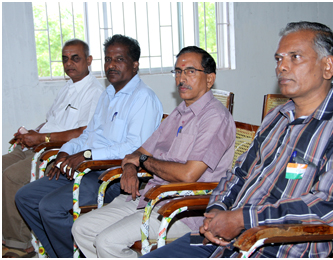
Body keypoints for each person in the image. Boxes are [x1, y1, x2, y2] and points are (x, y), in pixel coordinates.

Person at [141, 21, 333, 258]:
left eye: (295, 57)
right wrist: (216, 211)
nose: (282, 67)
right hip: (222, 238)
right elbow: (238, 174)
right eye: (279, 59)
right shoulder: (276, 118)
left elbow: (329, 206)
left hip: (272, 247)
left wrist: (242, 219)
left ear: (328, 66)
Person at [72, 46, 237, 258]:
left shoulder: (215, 118)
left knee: (107, 242)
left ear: (210, 79)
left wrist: (142, 160)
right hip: (151, 196)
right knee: (81, 229)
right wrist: (131, 167)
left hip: (182, 208)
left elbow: (188, 175)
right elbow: (137, 152)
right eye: (178, 71)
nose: (181, 79)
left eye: (190, 71)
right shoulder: (179, 112)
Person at [15, 34, 163, 258]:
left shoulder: (143, 99)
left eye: (119, 59)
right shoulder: (108, 94)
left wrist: (86, 155)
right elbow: (90, 134)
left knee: (50, 208)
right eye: (108, 59)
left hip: (114, 176)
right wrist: (66, 151)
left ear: (135, 65)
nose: (111, 65)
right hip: (88, 168)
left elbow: (134, 148)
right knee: (25, 197)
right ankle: (60, 254)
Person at [2, 38, 104, 258]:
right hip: (41, 143)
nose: (70, 64)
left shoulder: (94, 91)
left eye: (75, 58)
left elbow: (82, 132)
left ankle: (20, 245)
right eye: (65, 59)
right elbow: (53, 121)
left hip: (56, 151)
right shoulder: (67, 88)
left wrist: (42, 138)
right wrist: (30, 133)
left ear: (89, 60)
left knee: (10, 176)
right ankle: (8, 234)